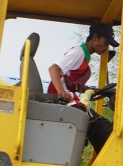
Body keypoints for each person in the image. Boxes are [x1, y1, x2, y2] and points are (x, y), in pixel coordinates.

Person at [47, 23, 118, 154]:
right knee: (102, 127)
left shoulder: (83, 57)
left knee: (98, 124)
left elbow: (73, 85)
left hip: (67, 102)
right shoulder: (78, 52)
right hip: (63, 103)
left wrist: (100, 91)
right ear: (95, 37)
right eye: (105, 42)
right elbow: (53, 69)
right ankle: (110, 157)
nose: (106, 47)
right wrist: (61, 92)